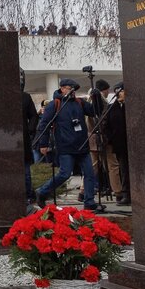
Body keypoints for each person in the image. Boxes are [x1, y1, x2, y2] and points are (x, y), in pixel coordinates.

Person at [34, 78, 104, 212]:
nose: (73, 92)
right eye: (70, 88)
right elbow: (44, 125)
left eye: (74, 89)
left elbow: (95, 111)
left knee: (89, 174)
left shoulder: (80, 102)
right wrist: (43, 143)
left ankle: (89, 202)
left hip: (82, 146)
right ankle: (42, 191)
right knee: (65, 174)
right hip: (65, 146)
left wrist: (96, 98)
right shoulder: (55, 104)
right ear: (62, 88)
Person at [104, 82, 130, 205]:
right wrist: (111, 139)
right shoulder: (112, 107)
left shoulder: (131, 106)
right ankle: (126, 195)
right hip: (120, 144)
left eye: (121, 91)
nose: (118, 93)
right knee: (124, 170)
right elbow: (106, 125)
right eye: (116, 91)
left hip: (134, 144)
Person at [21, 73, 39, 205]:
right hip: (4, 140)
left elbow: (33, 116)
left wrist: (29, 130)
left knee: (26, 172)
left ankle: (28, 195)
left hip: (22, 138)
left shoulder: (25, 97)